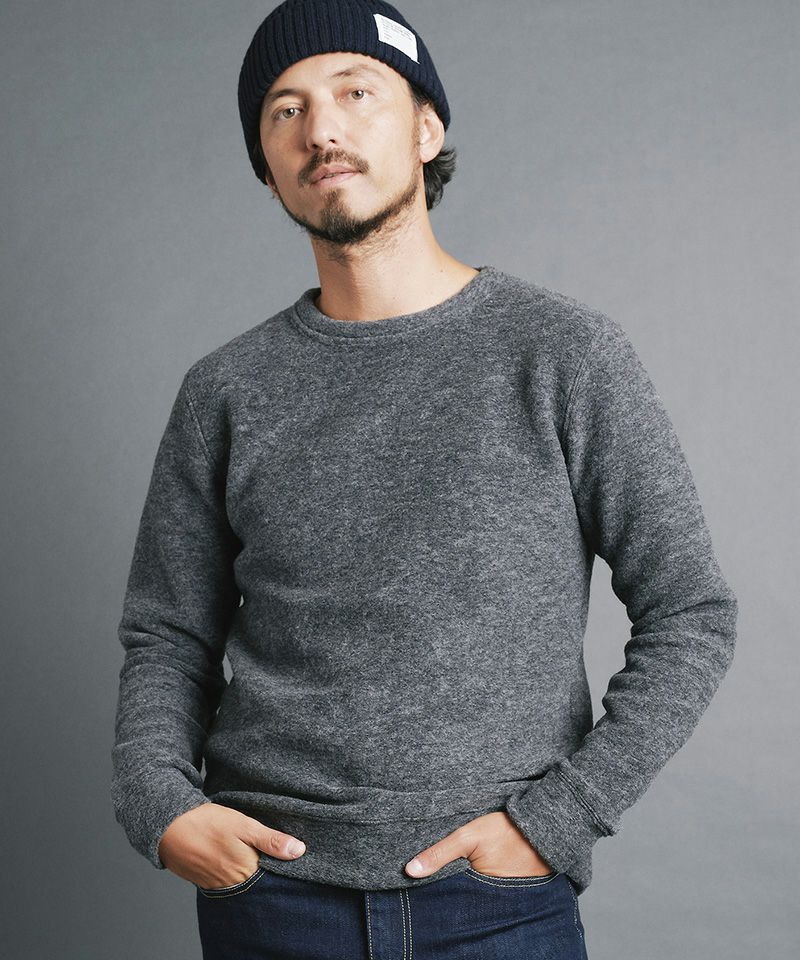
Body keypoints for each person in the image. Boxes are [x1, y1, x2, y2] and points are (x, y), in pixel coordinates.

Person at [111, 1, 738, 957]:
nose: (321, 129)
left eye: (356, 92)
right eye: (285, 110)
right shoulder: (225, 390)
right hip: (269, 900)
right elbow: (167, 634)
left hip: (496, 904)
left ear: (427, 128)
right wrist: (158, 802)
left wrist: (562, 817)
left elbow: (691, 612)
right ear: (266, 164)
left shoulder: (563, 354)